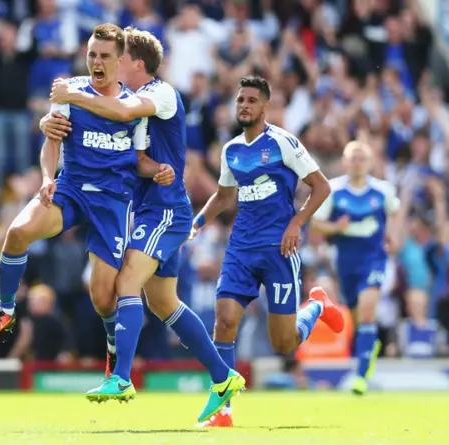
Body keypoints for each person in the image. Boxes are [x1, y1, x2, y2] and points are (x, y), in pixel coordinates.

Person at [42, 27, 243, 423]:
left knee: (126, 284)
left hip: (163, 210)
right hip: (148, 208)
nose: (109, 63)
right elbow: (111, 139)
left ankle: (120, 377)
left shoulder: (161, 94)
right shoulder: (122, 97)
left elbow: (121, 113)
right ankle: (223, 378)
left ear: (134, 63)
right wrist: (50, 124)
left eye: (118, 57)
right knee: (164, 302)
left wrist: (71, 95)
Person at [0, 25, 174, 351]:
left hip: (112, 201)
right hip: (71, 188)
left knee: (101, 297)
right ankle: (5, 310)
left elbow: (138, 160)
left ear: (119, 60)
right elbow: (51, 140)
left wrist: (157, 170)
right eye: (91, 54)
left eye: (104, 56)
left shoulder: (133, 106)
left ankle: (112, 344)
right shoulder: (69, 91)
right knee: (17, 232)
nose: (96, 61)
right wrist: (46, 177)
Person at [190, 76, 343, 427]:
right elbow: (225, 196)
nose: (244, 105)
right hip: (241, 247)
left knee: (284, 342)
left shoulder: (283, 143)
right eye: (240, 99)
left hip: (279, 249)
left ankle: (317, 304)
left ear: (265, 106)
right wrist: (197, 222)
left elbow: (321, 186)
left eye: (251, 100)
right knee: (225, 320)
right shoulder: (231, 150)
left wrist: (297, 222)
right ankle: (223, 410)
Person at [311, 141, 400, 395]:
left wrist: (393, 237)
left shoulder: (382, 191)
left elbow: (395, 212)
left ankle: (360, 376)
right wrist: (335, 228)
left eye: (362, 158)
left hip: (373, 258)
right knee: (356, 316)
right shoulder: (335, 190)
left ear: (370, 162)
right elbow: (316, 224)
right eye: (353, 158)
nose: (357, 162)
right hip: (346, 261)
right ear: (344, 161)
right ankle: (370, 346)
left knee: (368, 307)